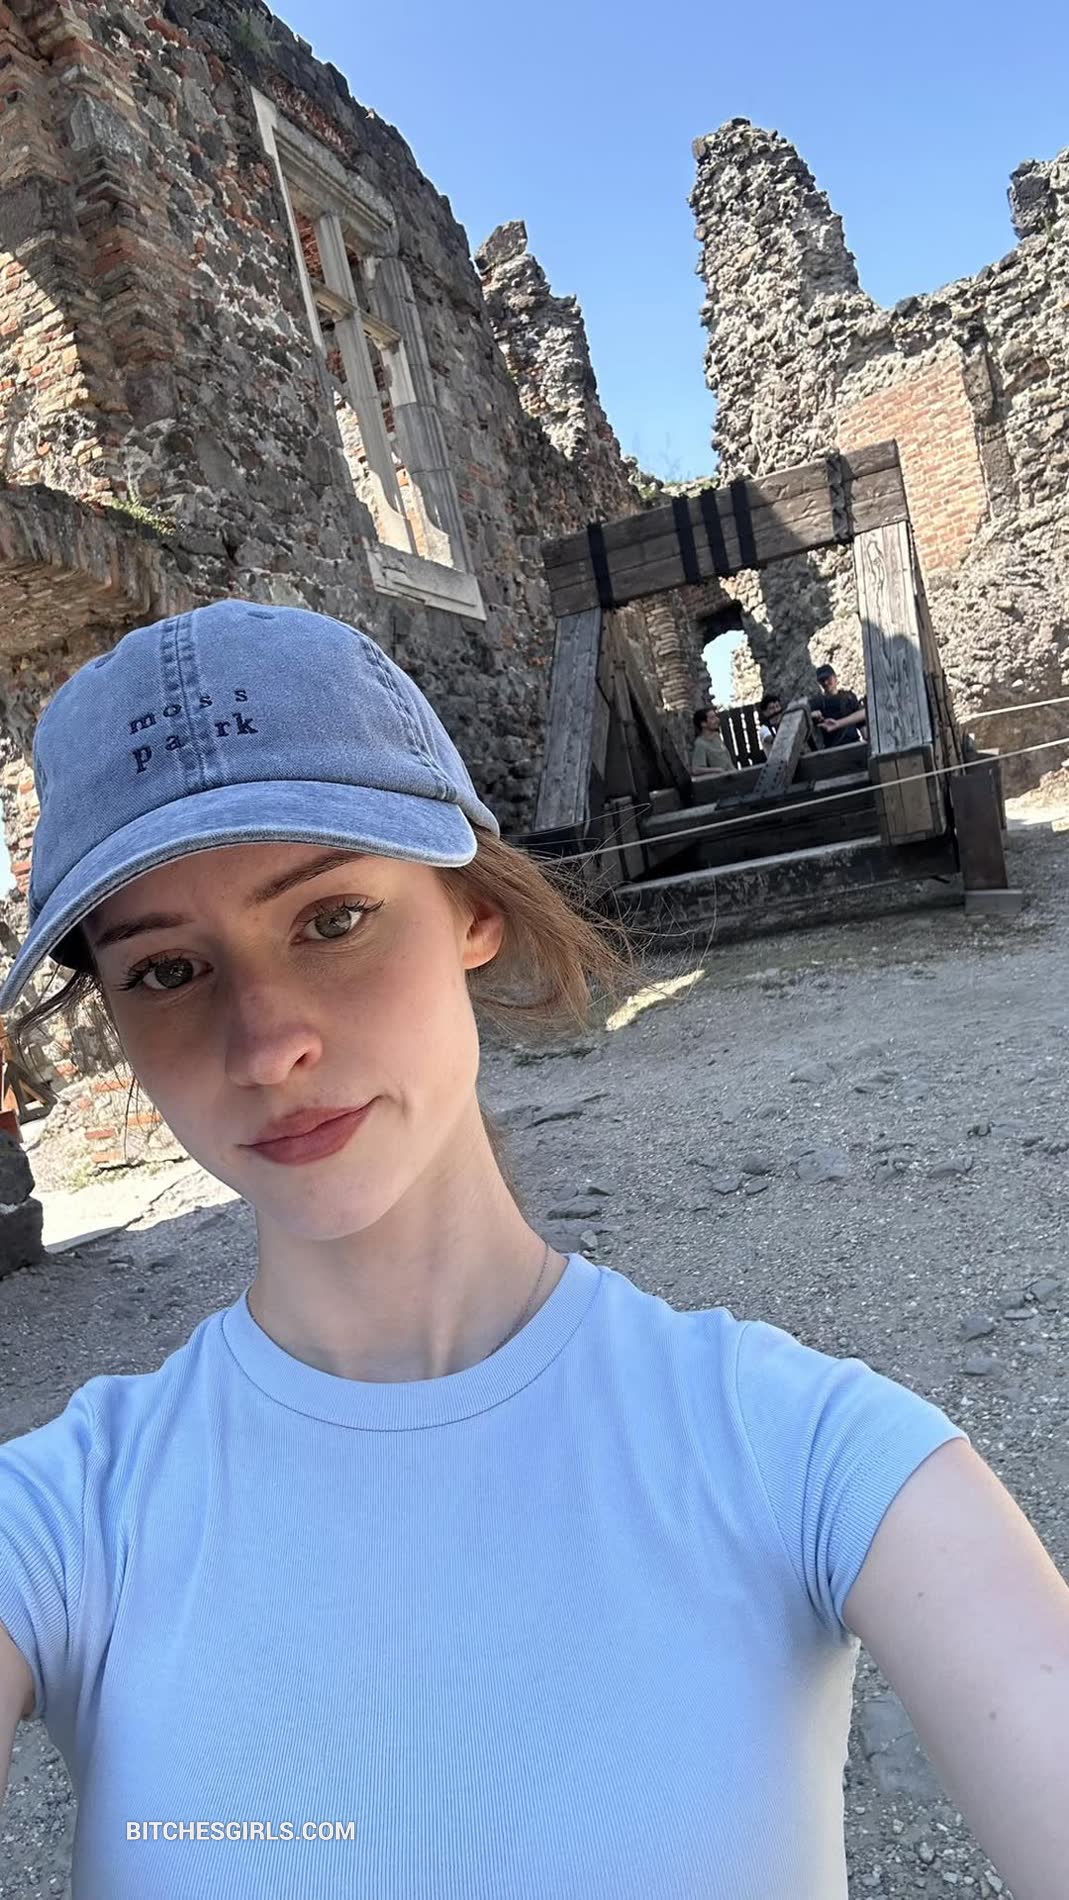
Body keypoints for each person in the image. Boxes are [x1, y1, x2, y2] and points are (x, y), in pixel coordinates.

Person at [0, 601, 1066, 1900]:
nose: (268, 1045)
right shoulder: (55, 1524)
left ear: (471, 910)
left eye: (333, 919)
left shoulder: (816, 1457)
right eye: (168, 971)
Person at [810, 663, 867, 747]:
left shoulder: (849, 696)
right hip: (833, 748)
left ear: (835, 678)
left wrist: (866, 737)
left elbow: (861, 720)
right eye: (822, 680)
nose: (825, 682)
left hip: (854, 743)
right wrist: (812, 715)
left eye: (828, 678)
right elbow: (804, 714)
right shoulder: (818, 702)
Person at [691, 705, 734, 774]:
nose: (717, 720)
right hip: (723, 779)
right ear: (703, 724)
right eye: (712, 718)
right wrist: (717, 770)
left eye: (716, 716)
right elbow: (696, 769)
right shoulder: (700, 744)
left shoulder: (717, 737)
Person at [757, 690, 783, 757]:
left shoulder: (784, 723)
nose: (776, 710)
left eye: (777, 706)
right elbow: (773, 740)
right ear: (765, 712)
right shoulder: (764, 729)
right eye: (772, 708)